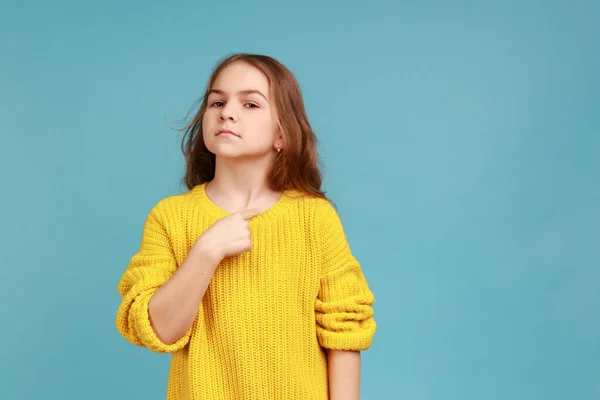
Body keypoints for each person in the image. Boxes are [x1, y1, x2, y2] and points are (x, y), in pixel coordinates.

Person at [115, 53, 377, 400]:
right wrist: (207, 251)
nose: (227, 112)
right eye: (217, 101)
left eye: (250, 103)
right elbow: (159, 331)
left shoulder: (315, 218)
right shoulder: (170, 217)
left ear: (282, 134)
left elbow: (344, 332)